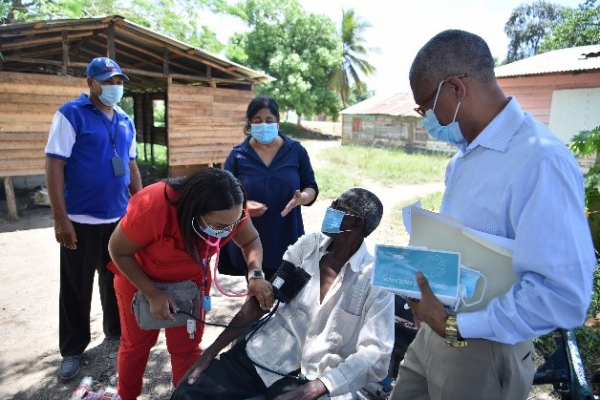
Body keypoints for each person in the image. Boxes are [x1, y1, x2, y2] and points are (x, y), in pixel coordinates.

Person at [390, 30, 596, 400]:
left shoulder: (540, 160)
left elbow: (563, 297)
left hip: (482, 348)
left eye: (425, 107)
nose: (426, 120)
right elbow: (468, 247)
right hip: (436, 332)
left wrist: (457, 326)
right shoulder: (464, 159)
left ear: (455, 88)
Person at [171, 188, 394, 400]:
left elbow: (376, 353)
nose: (330, 209)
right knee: (187, 394)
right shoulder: (308, 248)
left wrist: (316, 387)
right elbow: (262, 301)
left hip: (318, 375)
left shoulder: (374, 281)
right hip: (267, 354)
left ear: (356, 223)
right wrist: (209, 353)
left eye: (338, 207)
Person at [107, 168, 273, 400]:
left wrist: (255, 274)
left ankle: (185, 397)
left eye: (231, 225)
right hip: (139, 281)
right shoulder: (152, 205)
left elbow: (251, 239)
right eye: (218, 226)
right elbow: (118, 250)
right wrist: (153, 294)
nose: (225, 232)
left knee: (186, 349)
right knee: (136, 346)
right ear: (194, 211)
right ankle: (126, 396)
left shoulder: (230, 209)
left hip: (191, 286)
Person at [45, 57, 143, 381]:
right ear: (90, 82)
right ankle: (73, 349)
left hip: (118, 219)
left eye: (119, 82)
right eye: (107, 81)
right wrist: (61, 219)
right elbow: (55, 164)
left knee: (117, 278)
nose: (115, 87)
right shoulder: (71, 114)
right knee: (76, 285)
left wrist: (140, 208)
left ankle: (115, 332)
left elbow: (130, 167)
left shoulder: (126, 120)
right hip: (80, 218)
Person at [221, 95, 318, 279]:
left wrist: (302, 198)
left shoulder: (296, 151)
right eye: (257, 121)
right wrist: (242, 207)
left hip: (286, 234)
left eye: (269, 120)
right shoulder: (238, 155)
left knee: (285, 296)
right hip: (248, 237)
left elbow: (311, 186)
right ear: (250, 123)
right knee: (255, 291)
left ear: (278, 122)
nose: (263, 125)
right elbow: (223, 194)